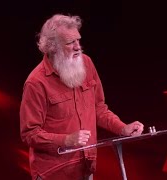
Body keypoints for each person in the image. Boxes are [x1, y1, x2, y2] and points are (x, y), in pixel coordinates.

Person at [19, 14, 144, 180]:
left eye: (78, 40)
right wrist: (66, 140)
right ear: (53, 47)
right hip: (54, 173)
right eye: (70, 42)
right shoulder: (36, 83)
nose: (78, 46)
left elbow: (99, 108)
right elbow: (29, 133)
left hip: (85, 168)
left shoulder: (87, 64)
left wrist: (123, 128)